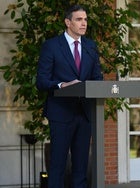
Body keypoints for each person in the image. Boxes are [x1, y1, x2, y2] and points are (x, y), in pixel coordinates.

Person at [36, 5, 103, 188]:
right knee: (57, 167)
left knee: (81, 168)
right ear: (68, 22)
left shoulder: (90, 47)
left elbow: (97, 78)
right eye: (79, 19)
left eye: (86, 19)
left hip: (85, 114)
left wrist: (101, 86)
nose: (84, 23)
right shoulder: (51, 46)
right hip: (61, 113)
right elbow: (41, 81)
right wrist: (61, 85)